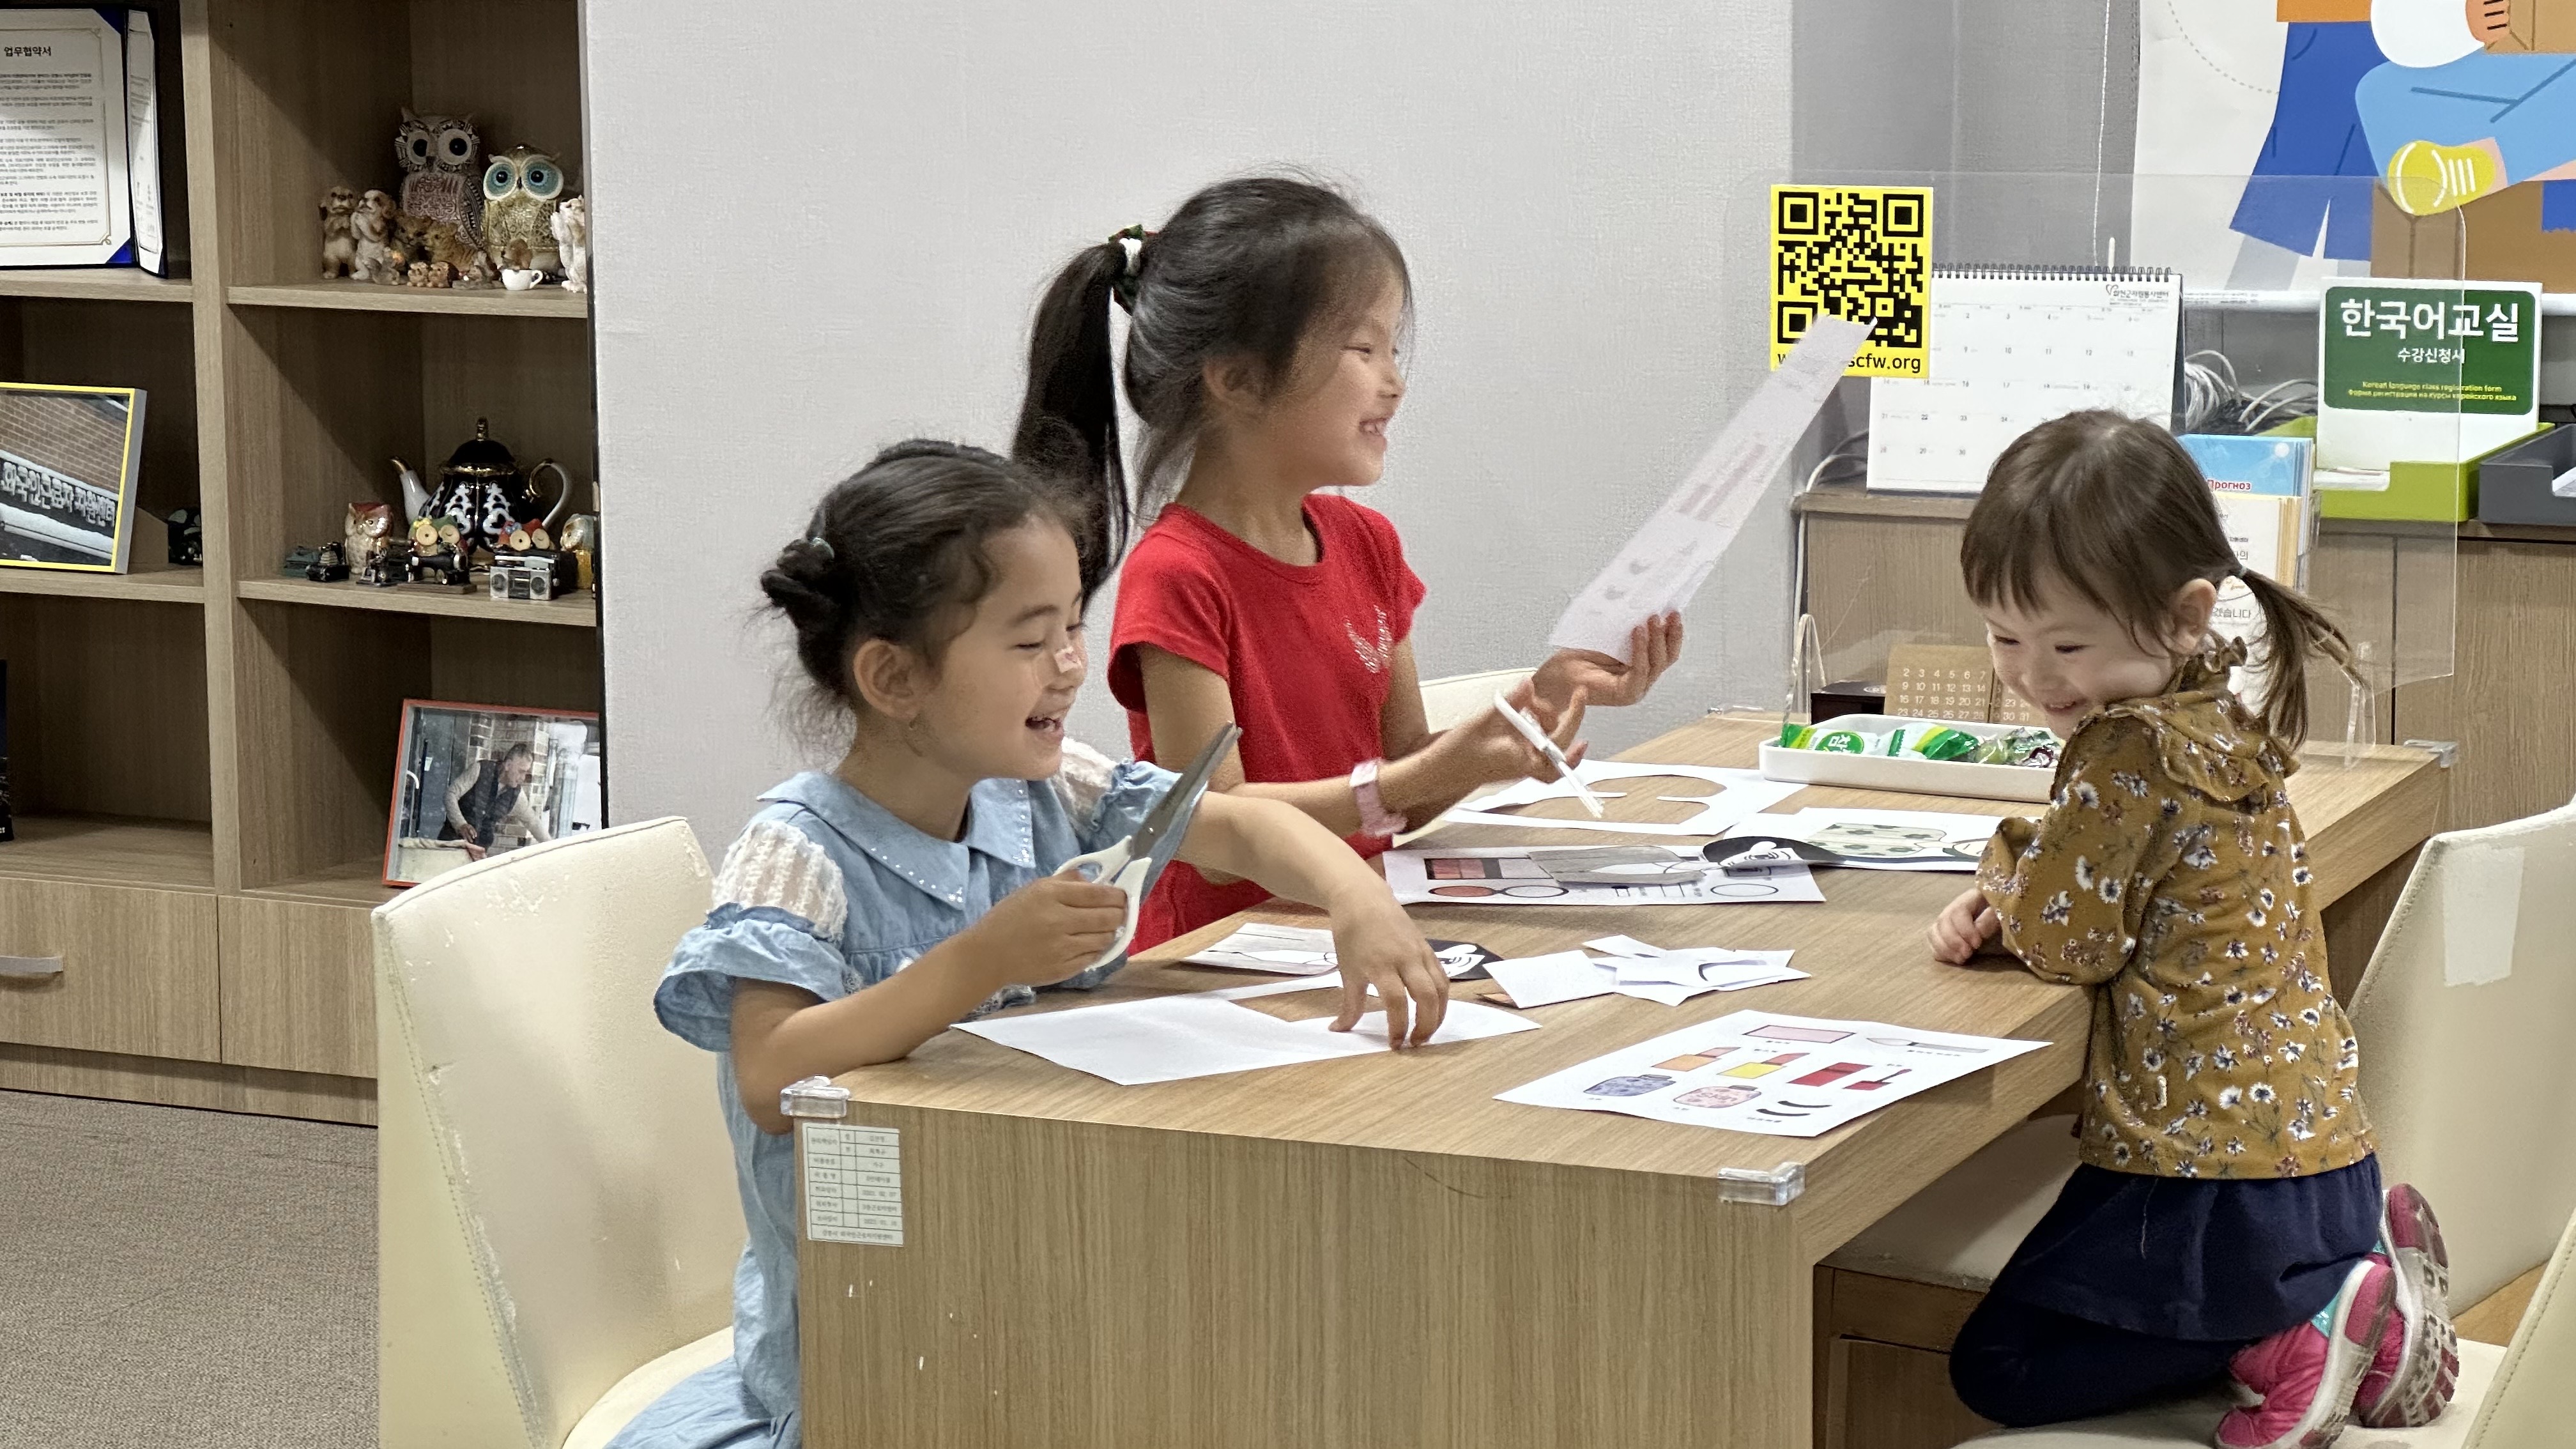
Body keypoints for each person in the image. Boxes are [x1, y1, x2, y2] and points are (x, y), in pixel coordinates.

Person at [606, 440, 1452, 1449]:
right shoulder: (797, 855)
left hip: (1039, 1288)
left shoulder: (1045, 795)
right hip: (868, 1347)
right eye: (1029, 640)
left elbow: (1238, 825)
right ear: (894, 677)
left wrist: (1353, 895)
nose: (1070, 665)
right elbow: (771, 1073)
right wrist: (983, 960)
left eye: (1074, 627)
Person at [1926, 412, 2457, 1448]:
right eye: (2002, 637)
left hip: (2204, 1178)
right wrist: (2043, 873)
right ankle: (2369, 1322)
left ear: (2183, 616)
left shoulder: (2123, 747)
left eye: (2065, 644)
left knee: (1998, 1365)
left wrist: (2003, 872)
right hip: (2324, 1156)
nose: (2032, 675)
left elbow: (2070, 944)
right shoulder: (2224, 719)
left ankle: (2291, 1335)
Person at [1015, 175, 1685, 948]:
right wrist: (1416, 778)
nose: (1394, 383)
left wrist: (1544, 697)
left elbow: (1404, 781)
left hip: (1360, 931)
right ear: (1238, 379)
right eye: (1364, 350)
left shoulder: (1368, 543)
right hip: (1224, 954)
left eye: (1393, 349)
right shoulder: (1178, 574)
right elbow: (1218, 840)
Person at [440, 741, 550, 861]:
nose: (523, 778)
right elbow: (451, 794)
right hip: (450, 846)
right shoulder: (480, 770)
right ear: (508, 765)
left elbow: (533, 823)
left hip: (476, 856)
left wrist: (553, 848)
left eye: (526, 773)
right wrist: (460, 824)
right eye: (521, 771)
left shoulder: (517, 795)